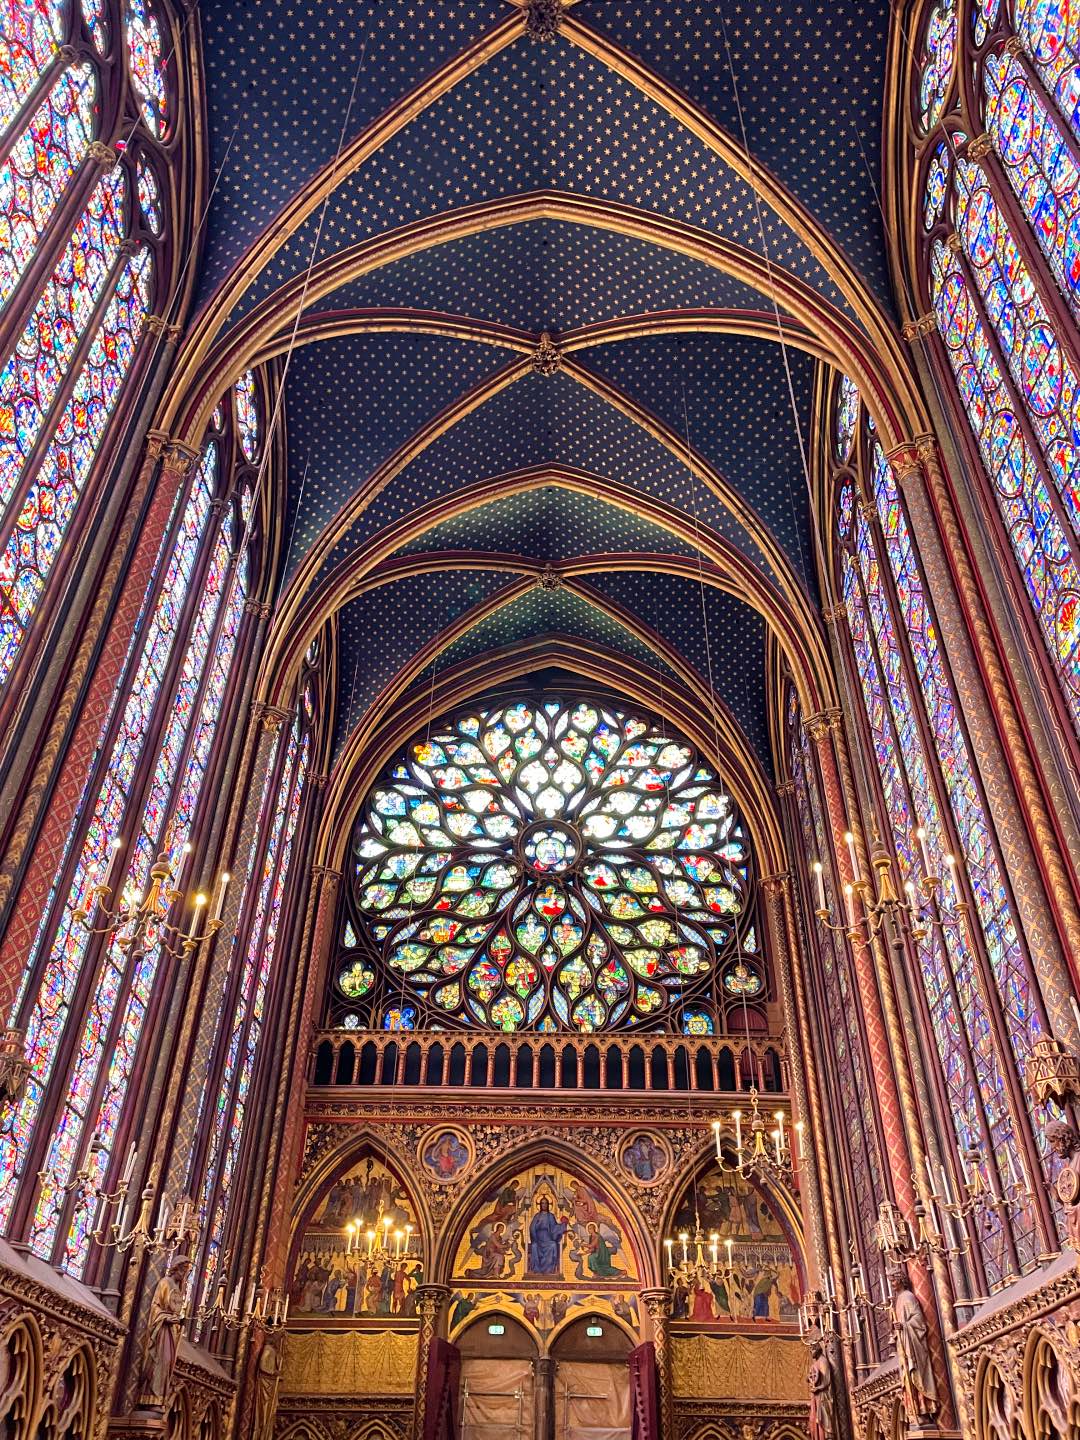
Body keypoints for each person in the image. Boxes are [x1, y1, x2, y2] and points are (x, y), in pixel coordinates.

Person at [137, 1255, 191, 1408]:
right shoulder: (165, 1283)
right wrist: (166, 1318)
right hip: (161, 1330)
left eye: (187, 1271)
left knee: (167, 1363)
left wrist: (179, 1320)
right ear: (176, 1268)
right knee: (162, 1360)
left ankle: (158, 1397)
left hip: (170, 1331)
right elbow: (155, 1306)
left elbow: (175, 1308)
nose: (185, 1274)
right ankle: (150, 1396)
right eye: (184, 1270)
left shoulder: (178, 1287)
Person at [892, 1272, 939, 1424]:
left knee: (915, 1374)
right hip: (903, 1346)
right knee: (907, 1380)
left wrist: (904, 1326)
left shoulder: (907, 1297)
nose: (891, 1283)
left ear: (901, 1280)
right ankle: (914, 1412)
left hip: (912, 1345)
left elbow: (918, 1319)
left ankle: (924, 1410)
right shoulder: (897, 1300)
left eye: (893, 1279)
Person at [527, 1196, 568, 1275]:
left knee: (553, 1245)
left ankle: (549, 1270)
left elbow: (554, 1228)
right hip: (538, 1238)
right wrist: (537, 1227)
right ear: (540, 1205)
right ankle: (537, 1270)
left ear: (548, 1205)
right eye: (542, 1203)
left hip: (548, 1238)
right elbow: (532, 1228)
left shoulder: (551, 1216)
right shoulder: (537, 1216)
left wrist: (563, 1224)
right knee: (534, 1246)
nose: (544, 1205)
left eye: (546, 1203)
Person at [807, 1338, 835, 1440]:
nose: (811, 1352)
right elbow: (813, 1376)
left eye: (812, 1350)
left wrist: (818, 1388)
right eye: (810, 1350)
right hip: (817, 1396)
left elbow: (827, 1380)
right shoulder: (816, 1362)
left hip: (823, 1396)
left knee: (823, 1420)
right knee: (814, 1421)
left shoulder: (823, 1361)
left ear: (818, 1349)